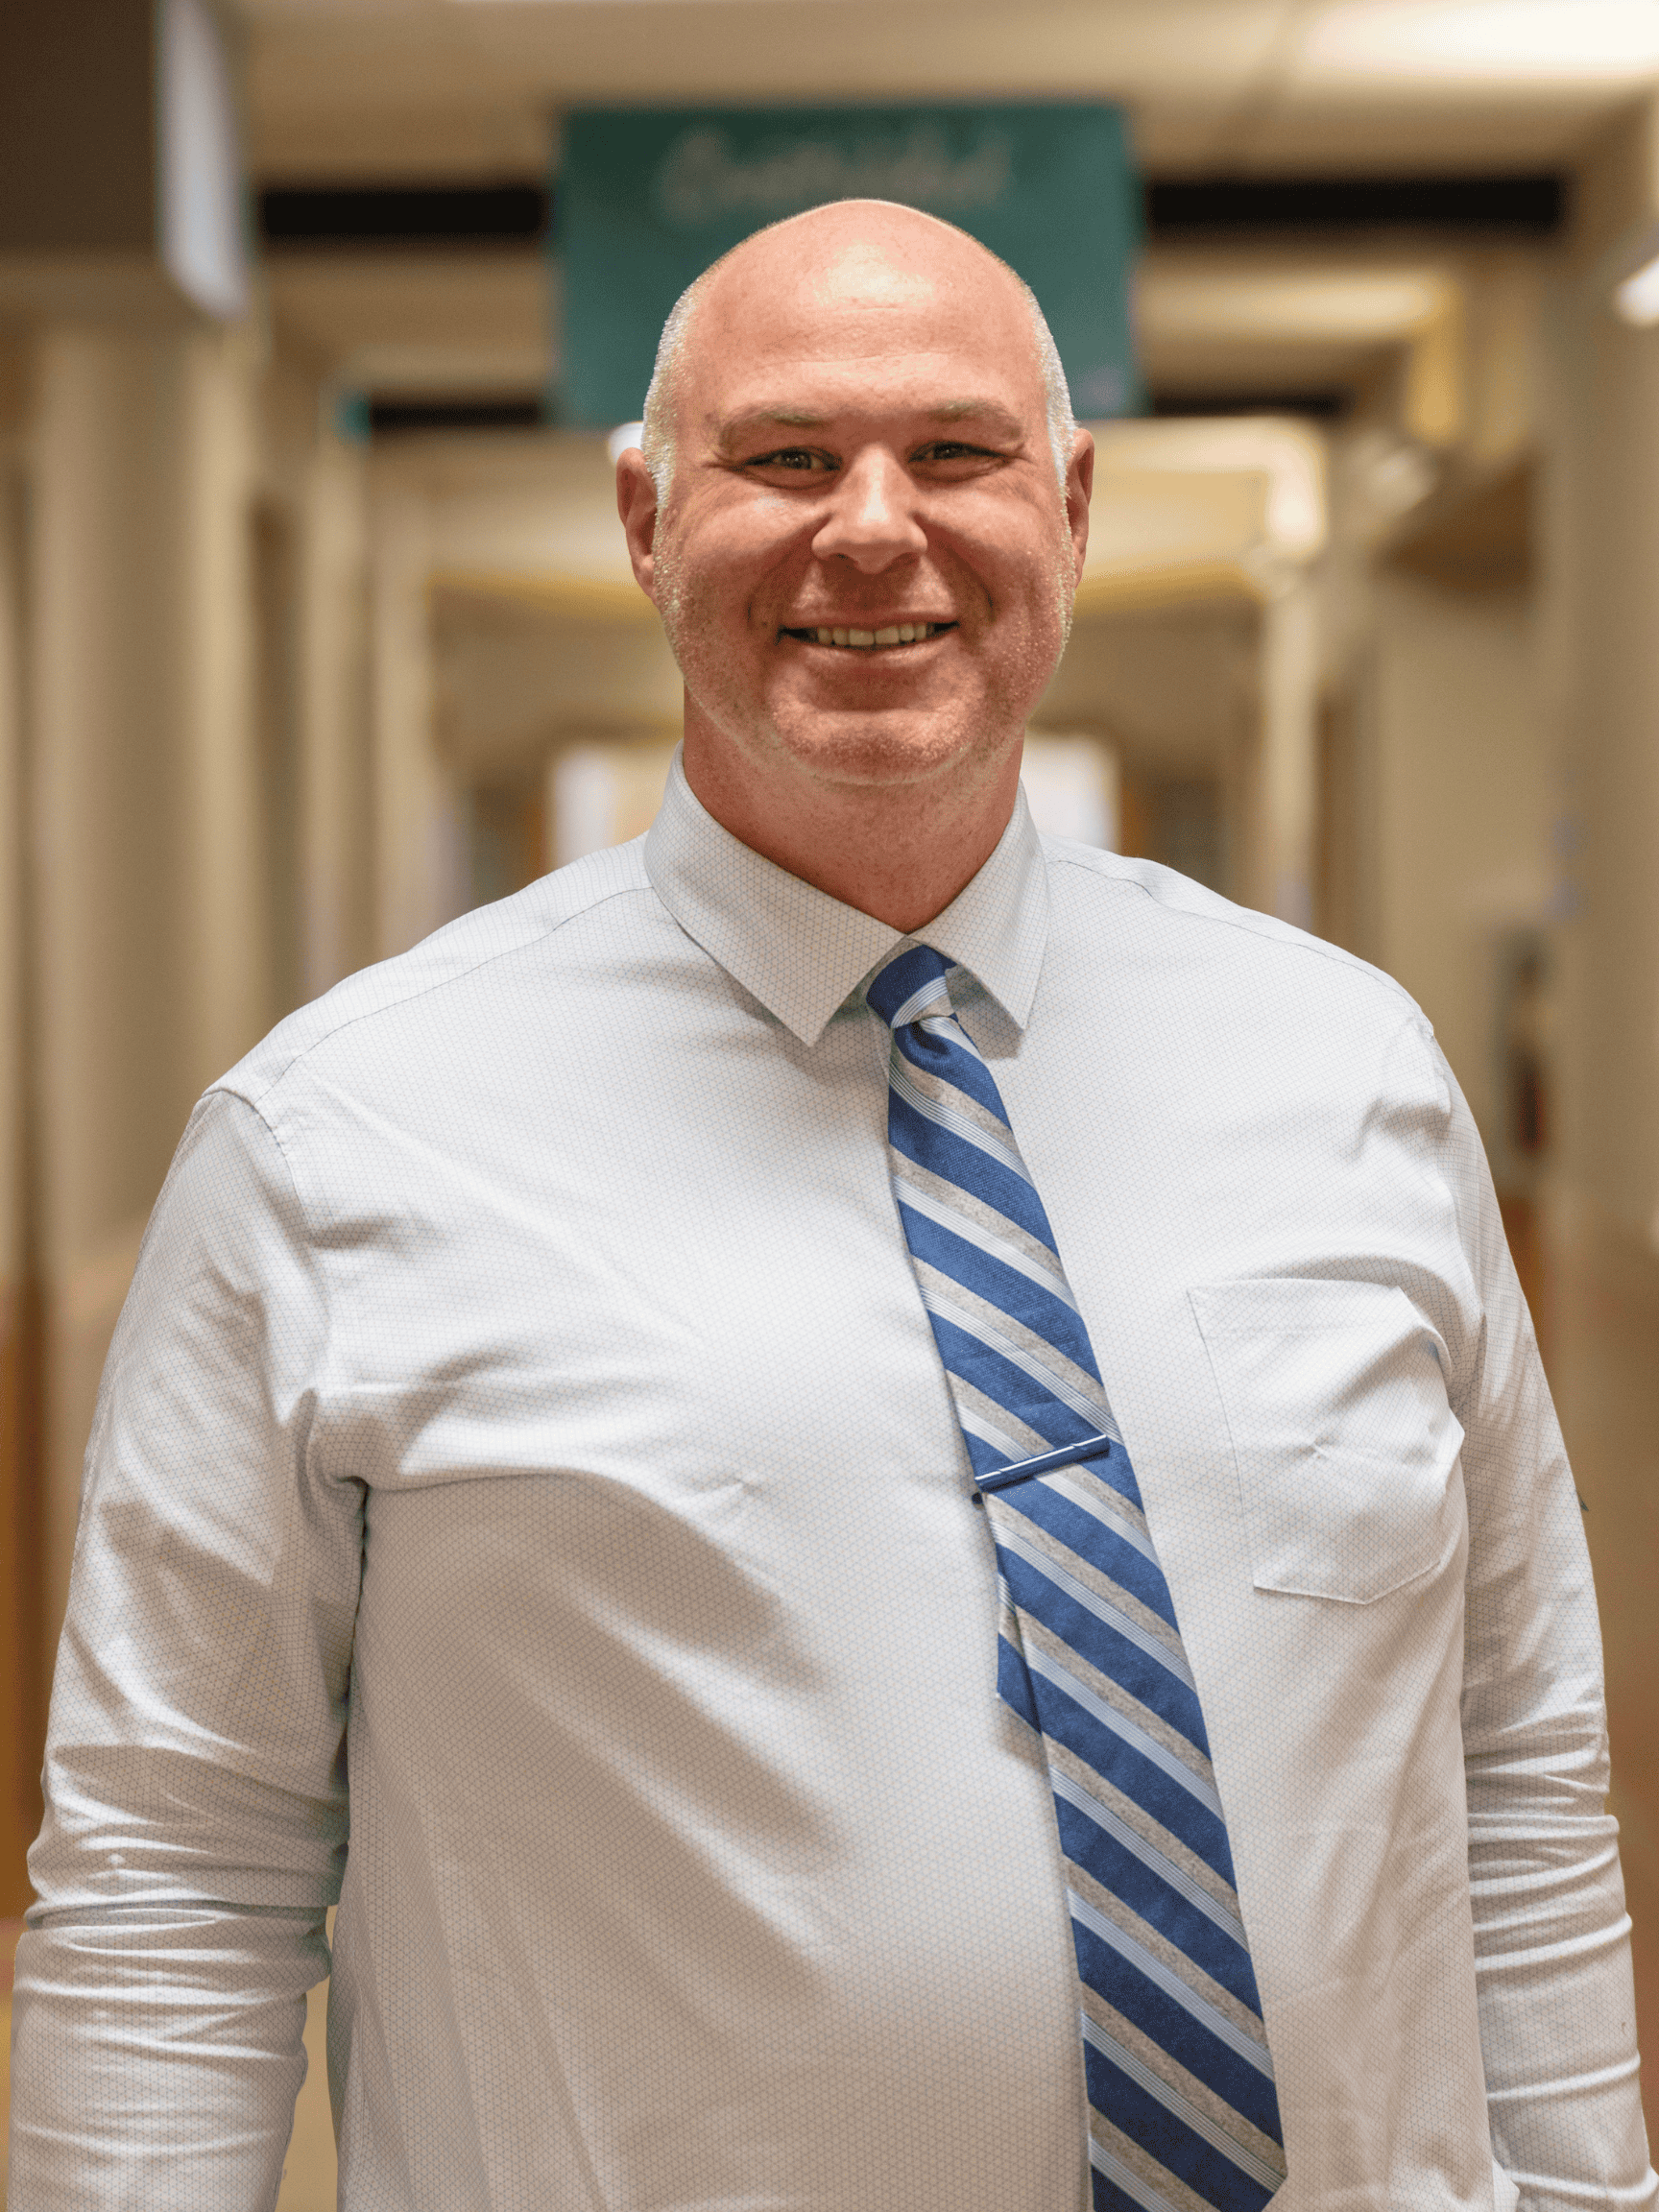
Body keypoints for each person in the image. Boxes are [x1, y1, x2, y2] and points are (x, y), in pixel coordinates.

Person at [9, 199, 1653, 2212]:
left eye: (956, 452)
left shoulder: (1352, 1074)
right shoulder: (333, 1147)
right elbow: (177, 1866)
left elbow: (1513, 1758)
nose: (873, 528)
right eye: (786, 456)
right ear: (645, 520)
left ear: (1070, 508)